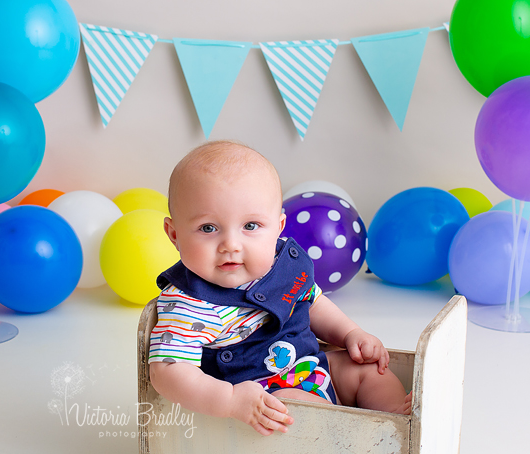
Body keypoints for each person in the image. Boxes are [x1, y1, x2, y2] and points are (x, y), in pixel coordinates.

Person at [148, 141, 411, 436]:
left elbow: (313, 304)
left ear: (278, 227)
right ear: (174, 234)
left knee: (370, 370)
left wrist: (350, 333)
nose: (231, 245)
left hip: (315, 369)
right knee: (289, 406)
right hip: (262, 402)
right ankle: (353, 438)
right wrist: (231, 401)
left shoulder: (284, 265)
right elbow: (167, 373)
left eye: (250, 226)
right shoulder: (187, 302)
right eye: (208, 228)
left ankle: (396, 426)